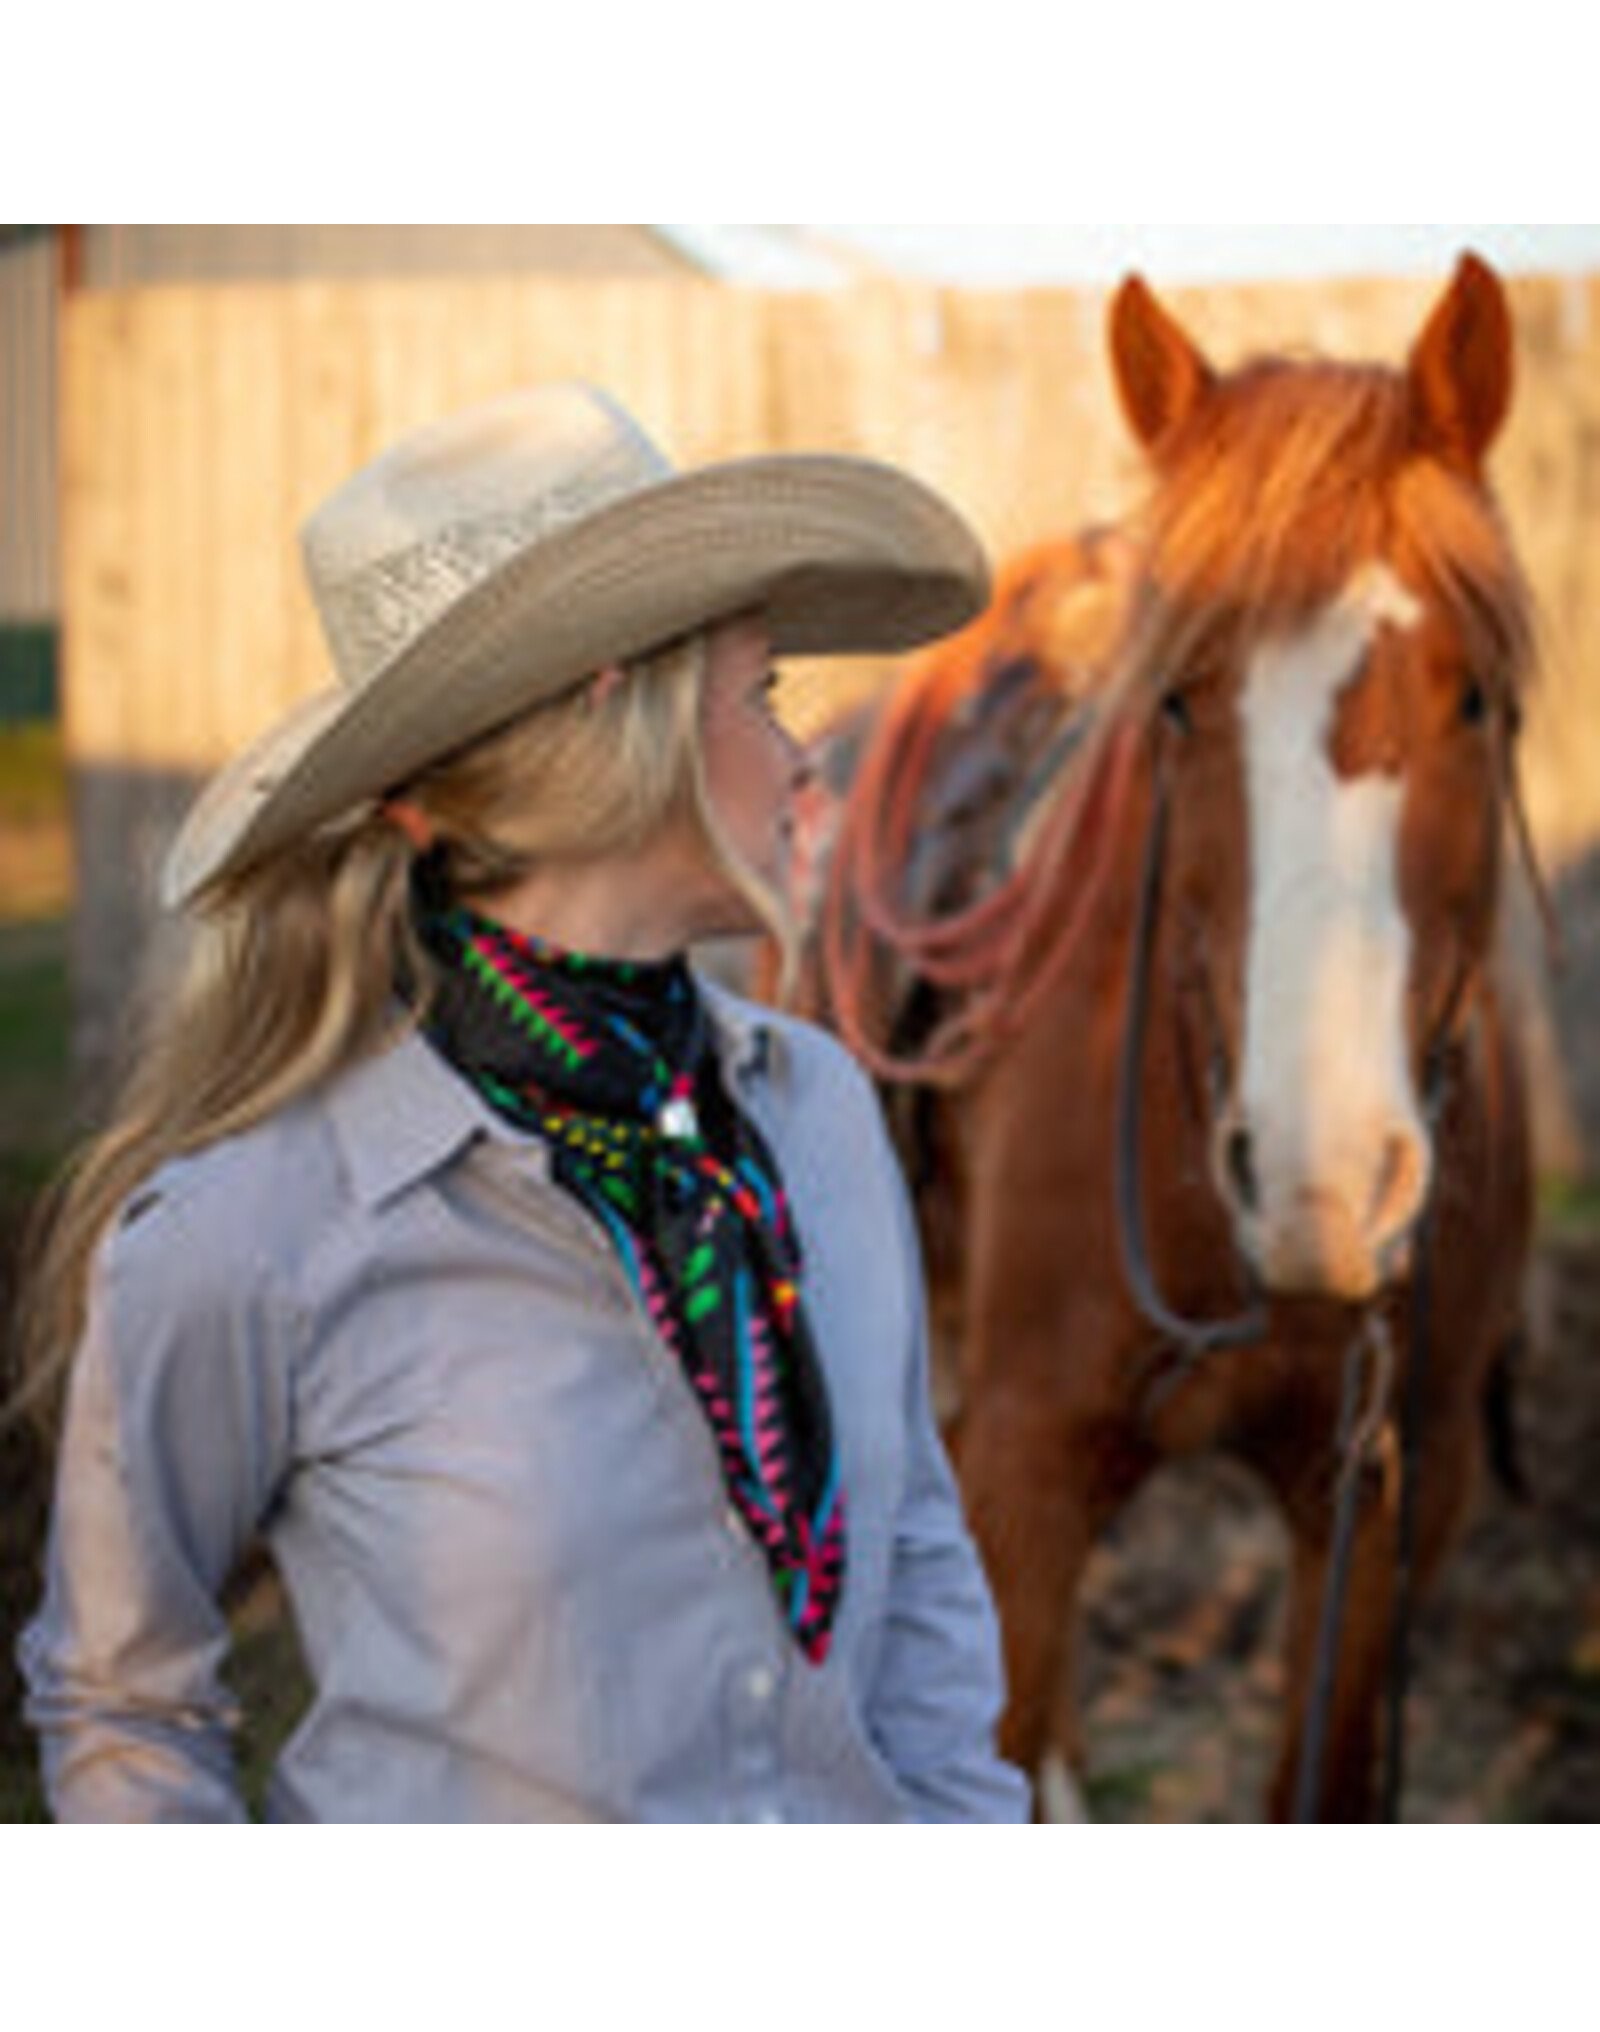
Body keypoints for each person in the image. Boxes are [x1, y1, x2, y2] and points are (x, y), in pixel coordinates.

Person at [15, 380, 1029, 1822]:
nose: (806, 759)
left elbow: (916, 1547)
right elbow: (125, 1701)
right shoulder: (255, 1234)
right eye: (765, 695)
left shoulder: (817, 1115)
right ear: (624, 725)